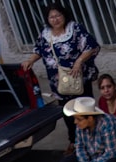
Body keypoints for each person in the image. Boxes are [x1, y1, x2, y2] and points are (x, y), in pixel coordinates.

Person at [23, 3, 101, 146]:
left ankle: (93, 139)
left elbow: (91, 46)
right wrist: (30, 60)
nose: (55, 19)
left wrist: (79, 61)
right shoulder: (45, 33)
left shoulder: (75, 29)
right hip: (59, 82)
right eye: (51, 17)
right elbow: (39, 50)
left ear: (64, 15)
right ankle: (74, 142)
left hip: (79, 78)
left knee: (84, 109)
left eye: (58, 15)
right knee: (68, 112)